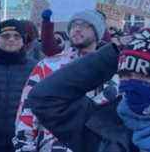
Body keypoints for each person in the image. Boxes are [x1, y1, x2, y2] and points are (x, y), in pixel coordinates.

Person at [14, 9, 119, 152]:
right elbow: (28, 108)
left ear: (98, 32)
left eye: (85, 25)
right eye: (74, 25)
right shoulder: (48, 65)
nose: (77, 29)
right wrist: (24, 147)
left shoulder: (113, 71)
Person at [0, 19, 36, 152]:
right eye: (5, 36)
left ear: (23, 41)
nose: (11, 39)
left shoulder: (36, 68)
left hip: (22, 141)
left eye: (17, 36)